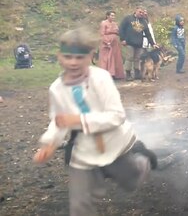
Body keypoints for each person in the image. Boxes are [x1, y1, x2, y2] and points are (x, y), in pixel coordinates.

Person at [33, 27, 157, 216]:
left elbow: (116, 116)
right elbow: (58, 122)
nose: (73, 63)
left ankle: (141, 161)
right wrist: (50, 143)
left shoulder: (101, 78)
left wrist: (80, 120)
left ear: (91, 55)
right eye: (68, 57)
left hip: (113, 145)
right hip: (84, 152)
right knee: (80, 206)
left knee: (131, 181)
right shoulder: (56, 89)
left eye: (79, 58)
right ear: (59, 56)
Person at [119, 7, 156, 81]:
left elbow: (148, 34)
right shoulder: (128, 18)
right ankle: (128, 74)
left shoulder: (143, 22)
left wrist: (153, 43)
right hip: (129, 42)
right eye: (140, 12)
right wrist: (122, 39)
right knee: (129, 58)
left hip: (139, 43)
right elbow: (121, 28)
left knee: (137, 59)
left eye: (142, 12)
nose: (141, 14)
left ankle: (137, 73)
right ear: (135, 11)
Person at [98, 11, 125, 80]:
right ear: (107, 16)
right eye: (112, 15)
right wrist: (107, 42)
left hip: (115, 43)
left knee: (115, 57)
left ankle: (115, 74)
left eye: (114, 16)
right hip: (106, 43)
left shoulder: (115, 24)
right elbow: (102, 34)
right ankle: (106, 74)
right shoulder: (103, 23)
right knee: (107, 58)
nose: (113, 17)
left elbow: (118, 32)